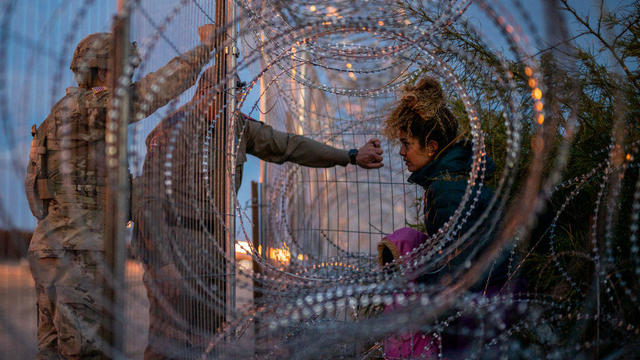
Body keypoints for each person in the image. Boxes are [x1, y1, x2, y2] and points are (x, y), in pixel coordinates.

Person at [134, 67, 385, 359]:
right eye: (228, 102)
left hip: (211, 247)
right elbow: (148, 203)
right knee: (169, 340)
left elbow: (290, 146)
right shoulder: (173, 132)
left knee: (205, 342)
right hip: (175, 246)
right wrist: (163, 263)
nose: (235, 110)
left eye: (239, 102)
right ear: (205, 96)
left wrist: (350, 156)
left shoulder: (235, 127)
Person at [24, 25, 217, 359]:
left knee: (56, 351)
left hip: (60, 247)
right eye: (122, 70)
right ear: (102, 69)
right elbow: (147, 95)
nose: (126, 78)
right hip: (77, 253)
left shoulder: (68, 113)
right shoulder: (85, 110)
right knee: (85, 352)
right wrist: (205, 50)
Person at [382, 76, 508, 357]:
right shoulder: (451, 179)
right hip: (484, 296)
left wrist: (417, 298)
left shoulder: (447, 188)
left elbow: (455, 267)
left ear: (431, 146)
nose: (401, 152)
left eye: (406, 144)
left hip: (476, 303)